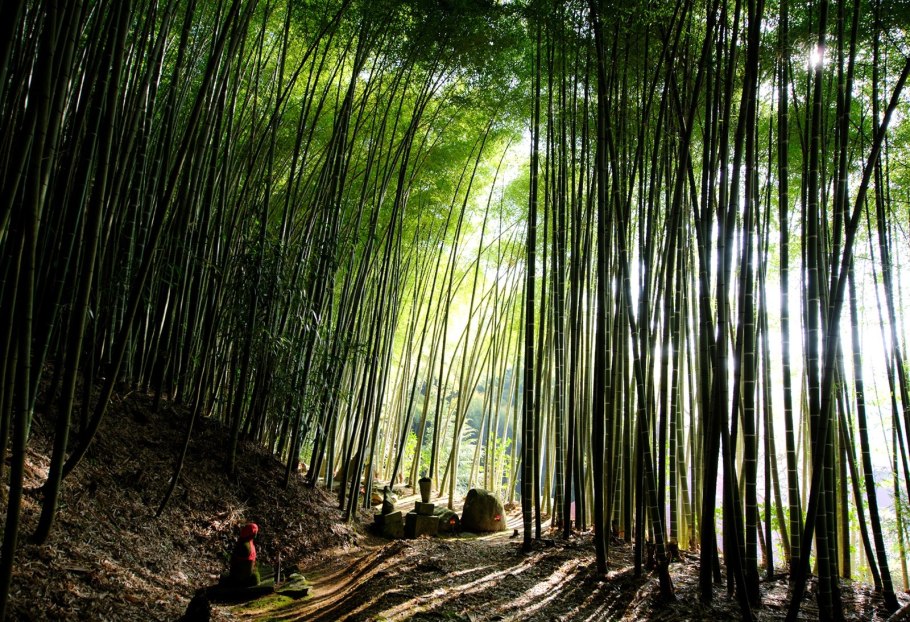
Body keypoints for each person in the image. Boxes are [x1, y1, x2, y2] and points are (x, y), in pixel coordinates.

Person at [228, 523, 260, 587]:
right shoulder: (244, 546)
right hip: (242, 575)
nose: (256, 534)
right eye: (255, 532)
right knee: (255, 578)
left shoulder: (248, 541)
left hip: (247, 569)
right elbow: (239, 563)